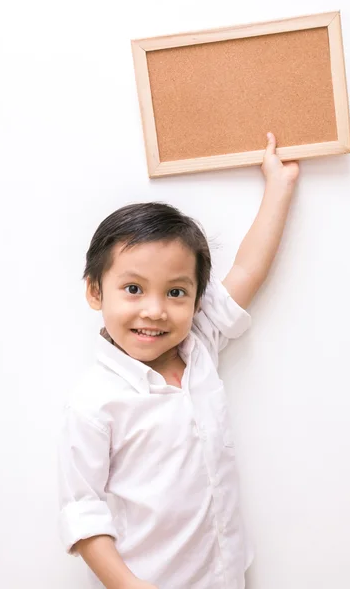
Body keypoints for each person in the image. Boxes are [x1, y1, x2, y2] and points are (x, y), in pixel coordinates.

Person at [58, 133, 300, 589]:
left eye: (175, 292)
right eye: (133, 289)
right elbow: (82, 511)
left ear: (195, 298)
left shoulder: (199, 347)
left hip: (227, 576)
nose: (154, 310)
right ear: (95, 291)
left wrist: (279, 187)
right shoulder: (94, 403)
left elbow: (246, 271)